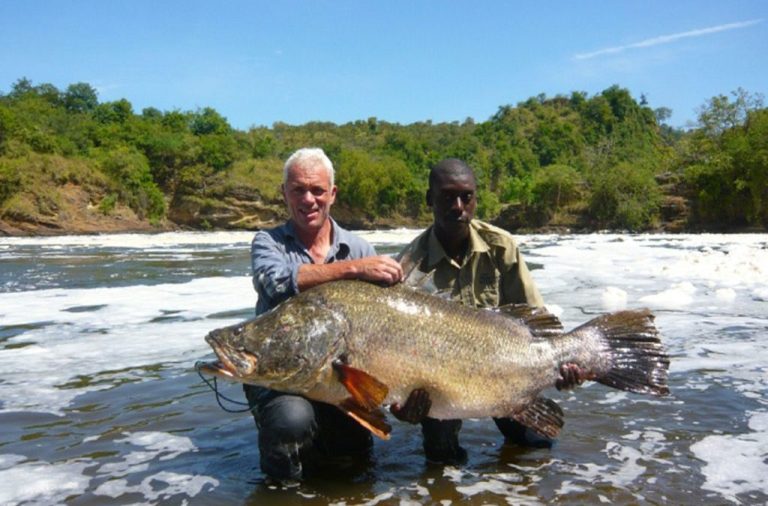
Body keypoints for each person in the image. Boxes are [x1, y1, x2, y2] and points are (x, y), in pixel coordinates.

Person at [392, 158, 584, 464]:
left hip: (506, 369)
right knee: (440, 457)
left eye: (467, 197)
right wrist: (400, 404)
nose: (458, 206)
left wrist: (564, 364)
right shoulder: (409, 267)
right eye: (447, 197)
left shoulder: (501, 247)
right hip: (442, 381)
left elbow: (537, 321)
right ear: (430, 200)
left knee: (536, 447)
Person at [245, 147, 404, 482]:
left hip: (342, 375)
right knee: (290, 421)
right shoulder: (268, 242)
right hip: (284, 379)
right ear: (284, 193)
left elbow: (385, 326)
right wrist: (355, 269)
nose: (308, 199)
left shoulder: (360, 247)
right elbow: (274, 283)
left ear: (332, 194)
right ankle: (281, 495)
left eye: (317, 190)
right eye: (298, 189)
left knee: (352, 463)